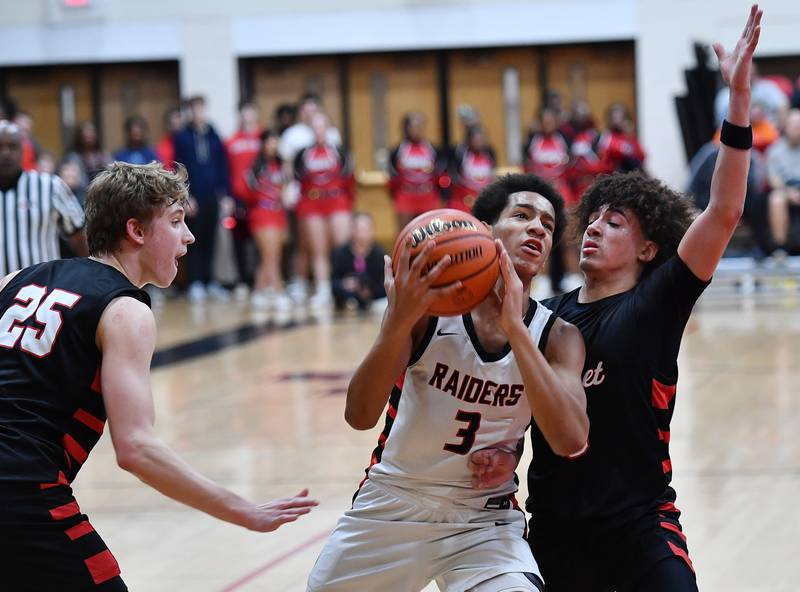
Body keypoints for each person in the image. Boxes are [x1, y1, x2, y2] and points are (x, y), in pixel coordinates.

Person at [471, 7, 762, 591]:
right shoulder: (545, 316)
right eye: (594, 217)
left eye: (617, 221)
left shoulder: (660, 300)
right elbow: (517, 404)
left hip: (641, 524)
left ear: (650, 247)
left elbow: (724, 210)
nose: (596, 227)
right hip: (553, 529)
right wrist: (502, 451)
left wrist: (737, 101)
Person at [0, 162, 318, 591]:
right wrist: (244, 511)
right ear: (136, 231)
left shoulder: (16, 279)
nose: (188, 236)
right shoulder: (125, 309)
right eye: (176, 221)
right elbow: (136, 449)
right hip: (22, 491)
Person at [307, 173, 589, 592]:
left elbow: (571, 440)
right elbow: (359, 415)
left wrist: (515, 326)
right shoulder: (428, 314)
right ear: (485, 232)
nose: (537, 228)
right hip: (394, 504)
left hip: (483, 518)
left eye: (547, 226)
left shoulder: (559, 337)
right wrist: (397, 321)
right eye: (523, 216)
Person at [0, 120, 87, 270]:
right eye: (0, 147)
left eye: (12, 147)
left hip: (41, 289)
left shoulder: (51, 186)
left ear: (22, 150)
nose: (5, 153)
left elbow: (79, 237)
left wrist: (90, 275)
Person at [173, 95, 231, 303]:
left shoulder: (214, 134)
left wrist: (225, 194)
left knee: (210, 239)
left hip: (212, 196)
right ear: (190, 111)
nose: (199, 113)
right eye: (195, 109)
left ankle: (209, 281)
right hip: (194, 198)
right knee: (193, 239)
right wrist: (186, 197)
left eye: (201, 108)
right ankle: (195, 282)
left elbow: (222, 165)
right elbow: (179, 168)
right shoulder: (182, 137)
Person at [294, 113, 354, 309]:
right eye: (315, 127)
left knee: (343, 247)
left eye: (322, 127)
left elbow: (349, 179)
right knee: (318, 250)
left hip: (337, 202)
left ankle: (347, 289)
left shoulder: (340, 152)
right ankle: (323, 290)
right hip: (313, 204)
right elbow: (298, 181)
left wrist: (348, 203)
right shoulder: (303, 154)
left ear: (328, 129)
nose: (319, 131)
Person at [245, 129, 292, 310]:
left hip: (278, 213)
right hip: (262, 214)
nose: (273, 145)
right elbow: (249, 192)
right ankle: (279, 292)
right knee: (270, 255)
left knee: (271, 256)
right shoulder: (256, 168)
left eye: (275, 141)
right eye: (269, 141)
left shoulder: (282, 166)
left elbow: (287, 190)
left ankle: (258, 291)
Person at [226, 101, 264, 291]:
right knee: (240, 241)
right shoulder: (232, 142)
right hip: (239, 198)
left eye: (251, 112)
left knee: (263, 240)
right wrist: (228, 196)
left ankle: (262, 279)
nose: (247, 116)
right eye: (244, 113)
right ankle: (243, 280)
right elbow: (226, 170)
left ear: (256, 114)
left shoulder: (264, 138)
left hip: (262, 198)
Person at [388, 111, 446, 231]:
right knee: (405, 233)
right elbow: (392, 176)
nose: (417, 129)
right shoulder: (398, 150)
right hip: (406, 197)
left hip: (427, 196)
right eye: (413, 126)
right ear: (406, 128)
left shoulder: (432, 149)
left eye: (420, 126)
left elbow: (440, 173)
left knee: (430, 233)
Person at [330, 212, 387, 312]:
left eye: (367, 229)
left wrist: (370, 290)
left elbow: (386, 281)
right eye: (361, 230)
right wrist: (344, 284)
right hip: (348, 294)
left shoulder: (380, 254)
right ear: (353, 231)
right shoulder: (341, 253)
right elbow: (333, 282)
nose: (364, 233)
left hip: (375, 297)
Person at [766, 108, 800, 255]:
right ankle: (780, 248)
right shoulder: (775, 150)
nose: (796, 129)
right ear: (786, 126)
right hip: (785, 189)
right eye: (793, 125)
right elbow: (773, 178)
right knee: (776, 199)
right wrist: (788, 192)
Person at [447, 125, 497, 213]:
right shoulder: (461, 155)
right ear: (469, 141)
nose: (480, 143)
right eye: (477, 140)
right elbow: (454, 177)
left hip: (484, 198)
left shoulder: (489, 154)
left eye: (482, 139)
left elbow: (492, 174)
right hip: (464, 201)